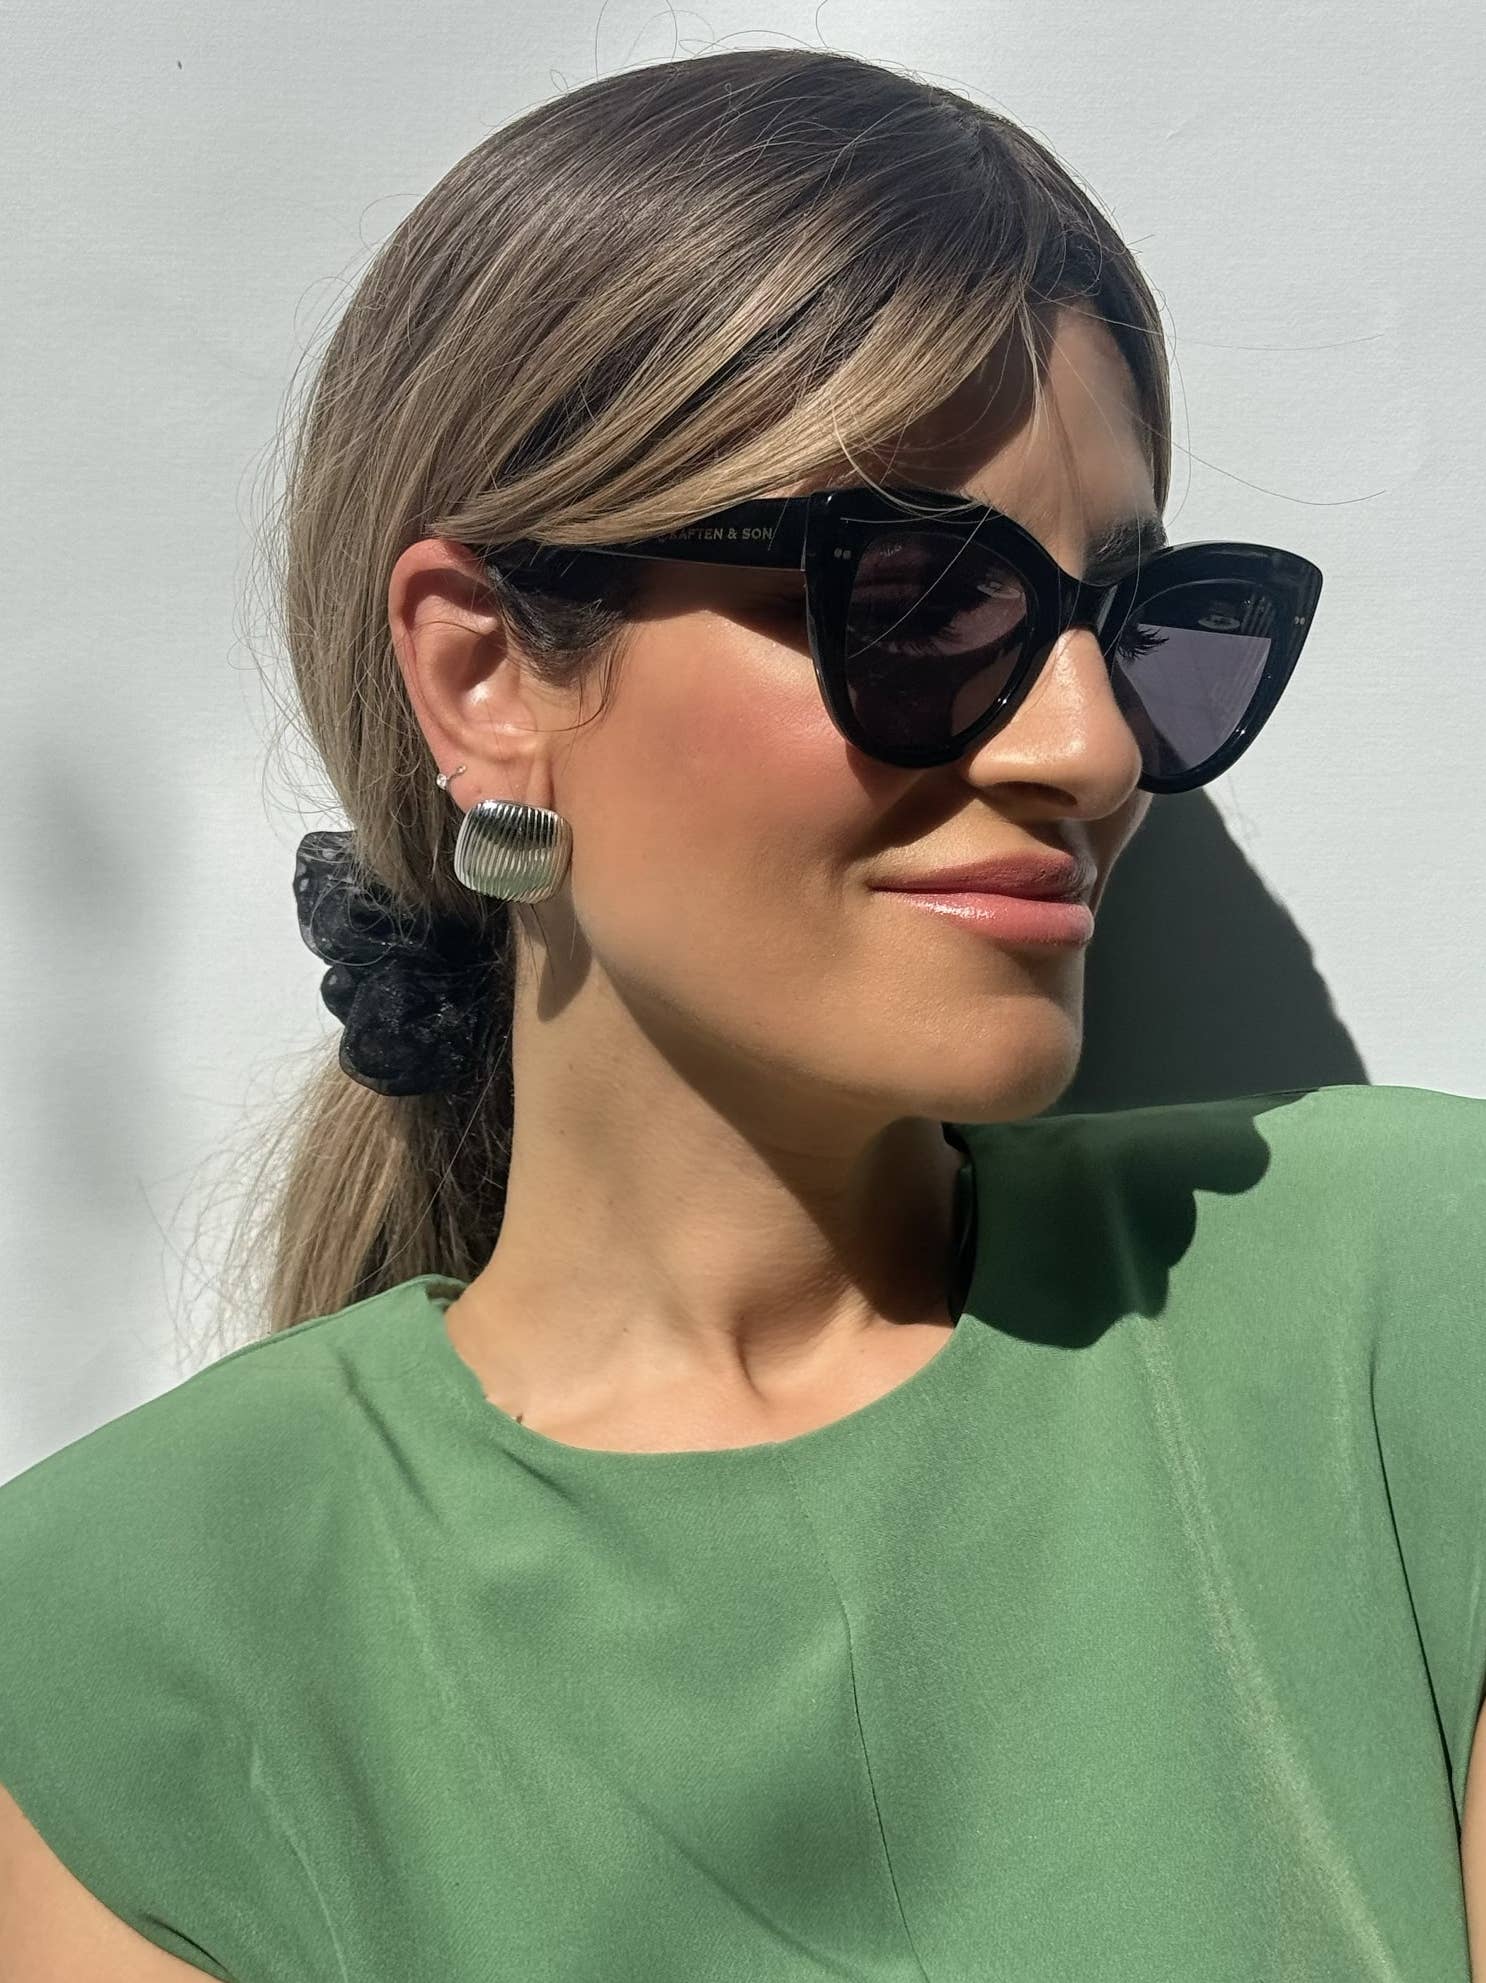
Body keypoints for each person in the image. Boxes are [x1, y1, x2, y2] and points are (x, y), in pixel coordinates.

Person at [1, 42, 1483, 1983]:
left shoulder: (1405, 1312)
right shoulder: (140, 1641)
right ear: (482, 676)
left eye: (1128, 623)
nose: (1088, 745)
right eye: (918, 602)